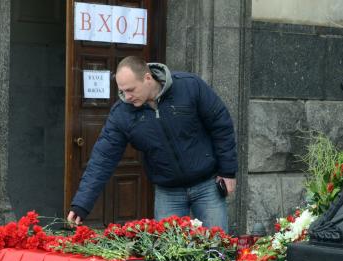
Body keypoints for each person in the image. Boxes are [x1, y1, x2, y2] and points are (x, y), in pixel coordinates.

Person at [67, 56, 237, 232]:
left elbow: (221, 125)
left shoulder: (189, 86)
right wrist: (81, 204)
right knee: (168, 254)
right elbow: (102, 158)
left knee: (216, 249)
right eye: (122, 91)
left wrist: (227, 171)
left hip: (206, 185)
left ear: (148, 78)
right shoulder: (122, 114)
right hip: (168, 192)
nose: (127, 97)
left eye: (131, 90)